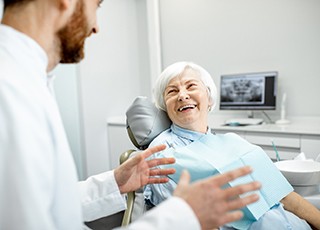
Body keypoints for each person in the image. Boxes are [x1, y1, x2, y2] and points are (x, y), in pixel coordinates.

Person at [0, 1, 262, 229]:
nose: (96, 26)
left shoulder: (28, 79)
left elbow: (51, 205)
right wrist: (183, 218)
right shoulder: (10, 89)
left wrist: (113, 182)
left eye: (191, 86)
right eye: (97, 4)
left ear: (209, 96)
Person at [144, 61, 320, 230]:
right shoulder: (162, 153)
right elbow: (193, 223)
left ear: (210, 97)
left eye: (191, 86)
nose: (182, 95)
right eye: (172, 91)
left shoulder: (233, 141)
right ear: (165, 106)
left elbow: (286, 197)